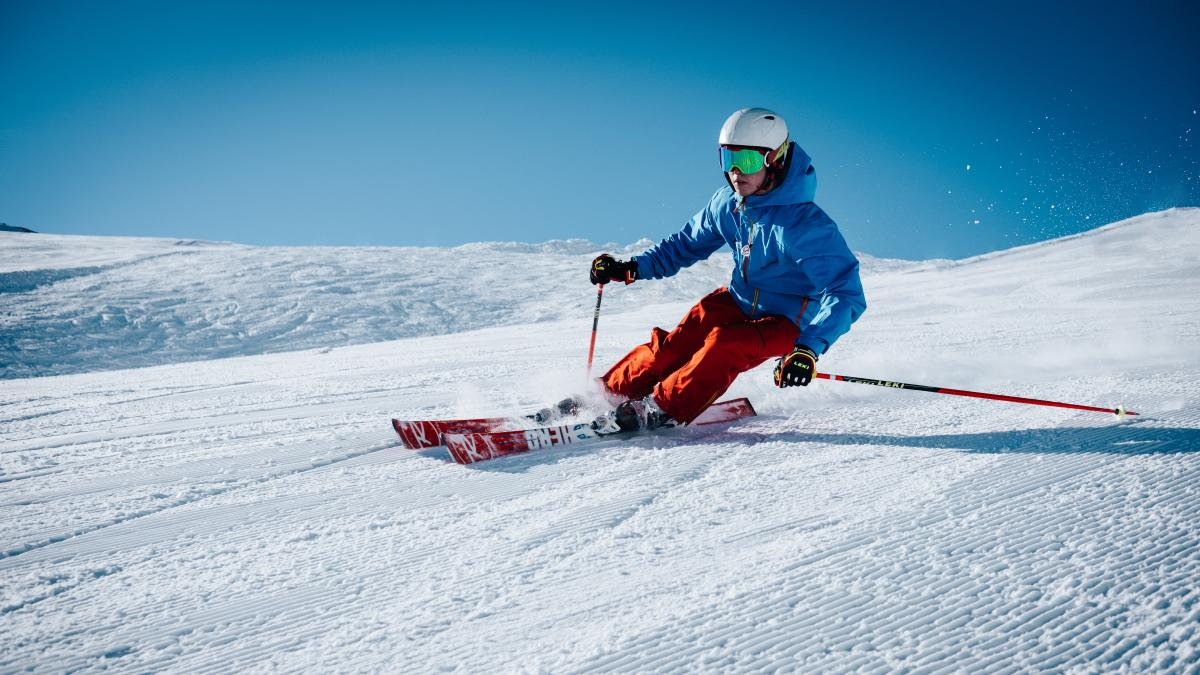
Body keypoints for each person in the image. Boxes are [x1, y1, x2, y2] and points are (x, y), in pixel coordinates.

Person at [589, 107, 867, 433]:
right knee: (673, 347)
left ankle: (661, 409)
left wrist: (808, 349)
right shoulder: (727, 203)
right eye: (727, 159)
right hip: (737, 300)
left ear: (774, 160)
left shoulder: (805, 226)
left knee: (726, 343)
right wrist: (630, 267)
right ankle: (604, 394)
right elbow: (683, 245)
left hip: (788, 321)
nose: (735, 172)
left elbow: (845, 292)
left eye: (746, 161)